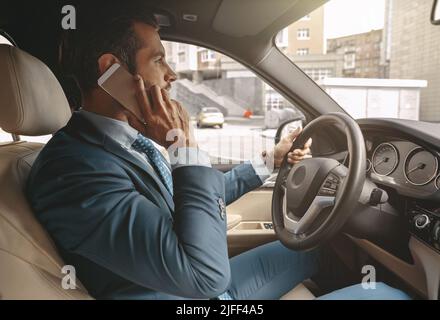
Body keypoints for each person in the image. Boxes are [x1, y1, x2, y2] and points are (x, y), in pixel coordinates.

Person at [26, 3, 410, 300]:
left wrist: (269, 162)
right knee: (386, 293)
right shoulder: (72, 172)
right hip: (191, 291)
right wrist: (183, 147)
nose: (173, 75)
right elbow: (203, 274)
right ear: (112, 71)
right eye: (158, 60)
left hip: (196, 290)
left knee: (317, 249)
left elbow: (193, 203)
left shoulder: (121, 143)